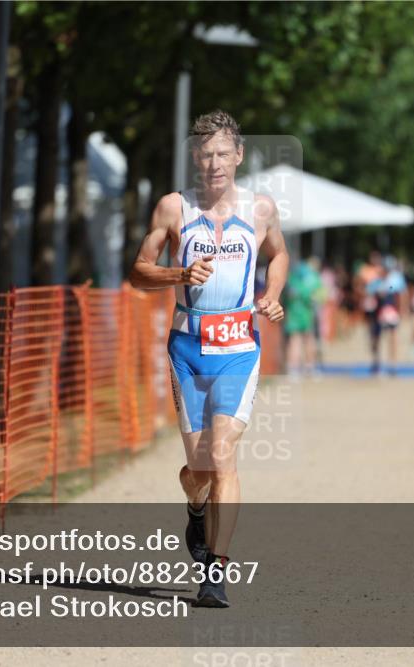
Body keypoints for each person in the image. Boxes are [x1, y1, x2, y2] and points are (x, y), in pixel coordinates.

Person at [128, 110, 288, 607]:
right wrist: (179, 276)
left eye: (223, 153)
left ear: (239, 156)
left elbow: (279, 255)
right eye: (206, 154)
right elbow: (138, 271)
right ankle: (195, 508)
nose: (215, 163)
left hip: (238, 348)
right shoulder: (174, 209)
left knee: (223, 457)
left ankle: (215, 573)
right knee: (197, 468)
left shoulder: (260, 210)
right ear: (195, 158)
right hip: (187, 348)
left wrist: (273, 293)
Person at [283, 257, 324, 377]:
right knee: (308, 340)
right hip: (306, 315)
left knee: (294, 341)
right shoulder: (312, 279)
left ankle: (293, 369)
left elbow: (285, 298)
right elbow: (317, 296)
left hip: (292, 315)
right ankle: (310, 367)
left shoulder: (291, 280)